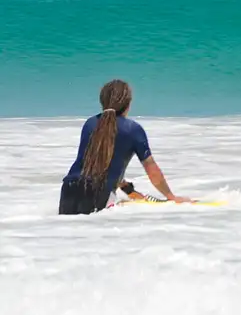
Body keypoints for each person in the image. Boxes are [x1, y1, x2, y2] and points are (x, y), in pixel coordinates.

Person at [59, 79, 189, 215]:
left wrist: (125, 186)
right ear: (128, 104)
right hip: (99, 193)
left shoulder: (90, 124)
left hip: (69, 189)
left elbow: (96, 163)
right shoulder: (133, 129)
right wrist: (171, 197)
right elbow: (152, 170)